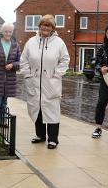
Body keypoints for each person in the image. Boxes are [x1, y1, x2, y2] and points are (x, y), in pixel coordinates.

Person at [20, 14, 70, 149]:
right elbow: (23, 60)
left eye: (48, 25)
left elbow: (65, 60)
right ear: (39, 26)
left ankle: (53, 139)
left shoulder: (59, 43)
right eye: (43, 25)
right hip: (34, 81)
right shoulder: (31, 42)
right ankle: (40, 135)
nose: (45, 28)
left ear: (53, 28)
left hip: (51, 82)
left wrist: (57, 75)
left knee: (52, 110)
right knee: (38, 108)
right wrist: (27, 75)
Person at [0, 22, 20, 127]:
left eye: (10, 32)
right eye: (6, 31)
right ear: (2, 31)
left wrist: (13, 65)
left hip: (9, 79)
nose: (8, 33)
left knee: (4, 102)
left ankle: (1, 121)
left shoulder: (15, 45)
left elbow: (20, 62)